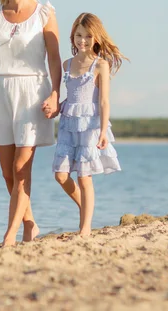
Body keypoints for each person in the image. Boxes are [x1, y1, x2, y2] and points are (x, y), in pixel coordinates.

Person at [0, 0, 61, 247]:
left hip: (32, 92)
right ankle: (30, 223)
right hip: (0, 92)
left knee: (22, 167)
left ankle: (9, 235)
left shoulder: (44, 14)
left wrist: (55, 93)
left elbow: (54, 59)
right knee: (6, 170)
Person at [52, 12, 126, 236]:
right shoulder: (66, 64)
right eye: (78, 35)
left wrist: (103, 131)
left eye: (87, 36)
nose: (82, 40)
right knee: (61, 175)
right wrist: (55, 106)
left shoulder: (100, 65)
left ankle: (84, 228)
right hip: (68, 124)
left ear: (96, 38)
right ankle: (86, 208)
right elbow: (69, 96)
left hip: (90, 127)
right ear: (72, 37)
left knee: (84, 177)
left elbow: (103, 101)